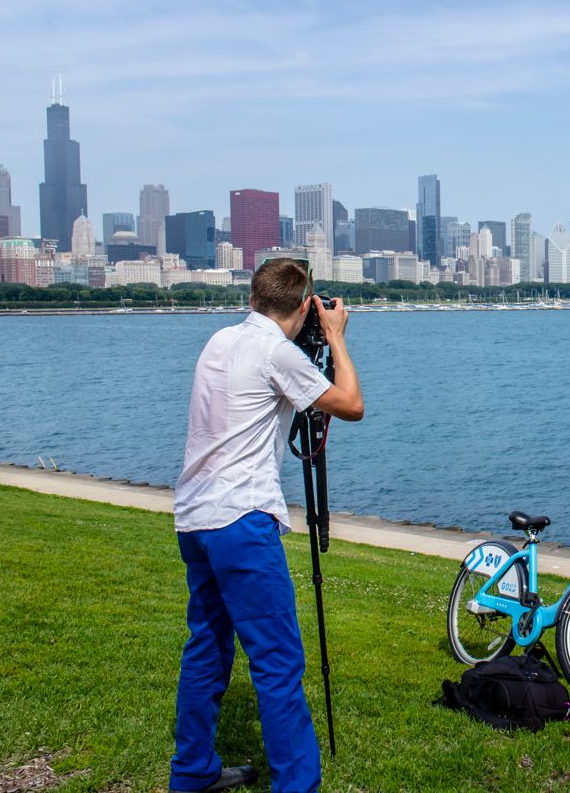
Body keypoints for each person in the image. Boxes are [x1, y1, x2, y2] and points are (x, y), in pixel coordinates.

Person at [168, 258, 363, 793]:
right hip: (241, 521)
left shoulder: (219, 341)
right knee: (277, 662)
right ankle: (296, 785)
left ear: (252, 299)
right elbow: (350, 405)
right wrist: (335, 337)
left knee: (207, 647)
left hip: (195, 517)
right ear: (303, 306)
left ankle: (192, 773)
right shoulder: (276, 352)